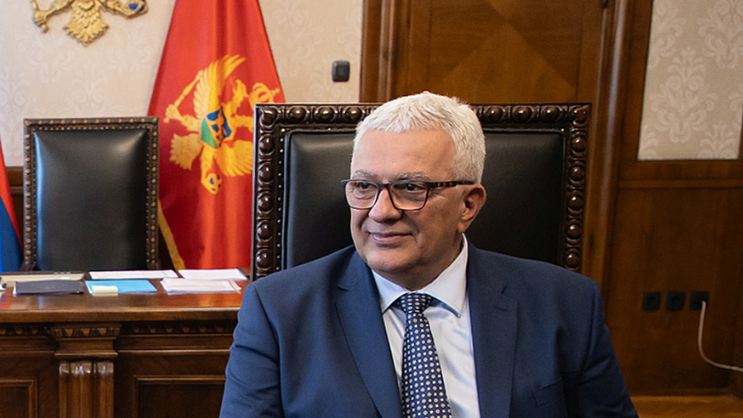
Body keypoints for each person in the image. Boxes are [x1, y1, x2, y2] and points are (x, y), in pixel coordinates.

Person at [219, 92, 638, 417]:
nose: (381, 212)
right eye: (364, 186)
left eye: (411, 188)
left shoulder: (566, 304)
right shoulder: (278, 311)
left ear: (468, 205)